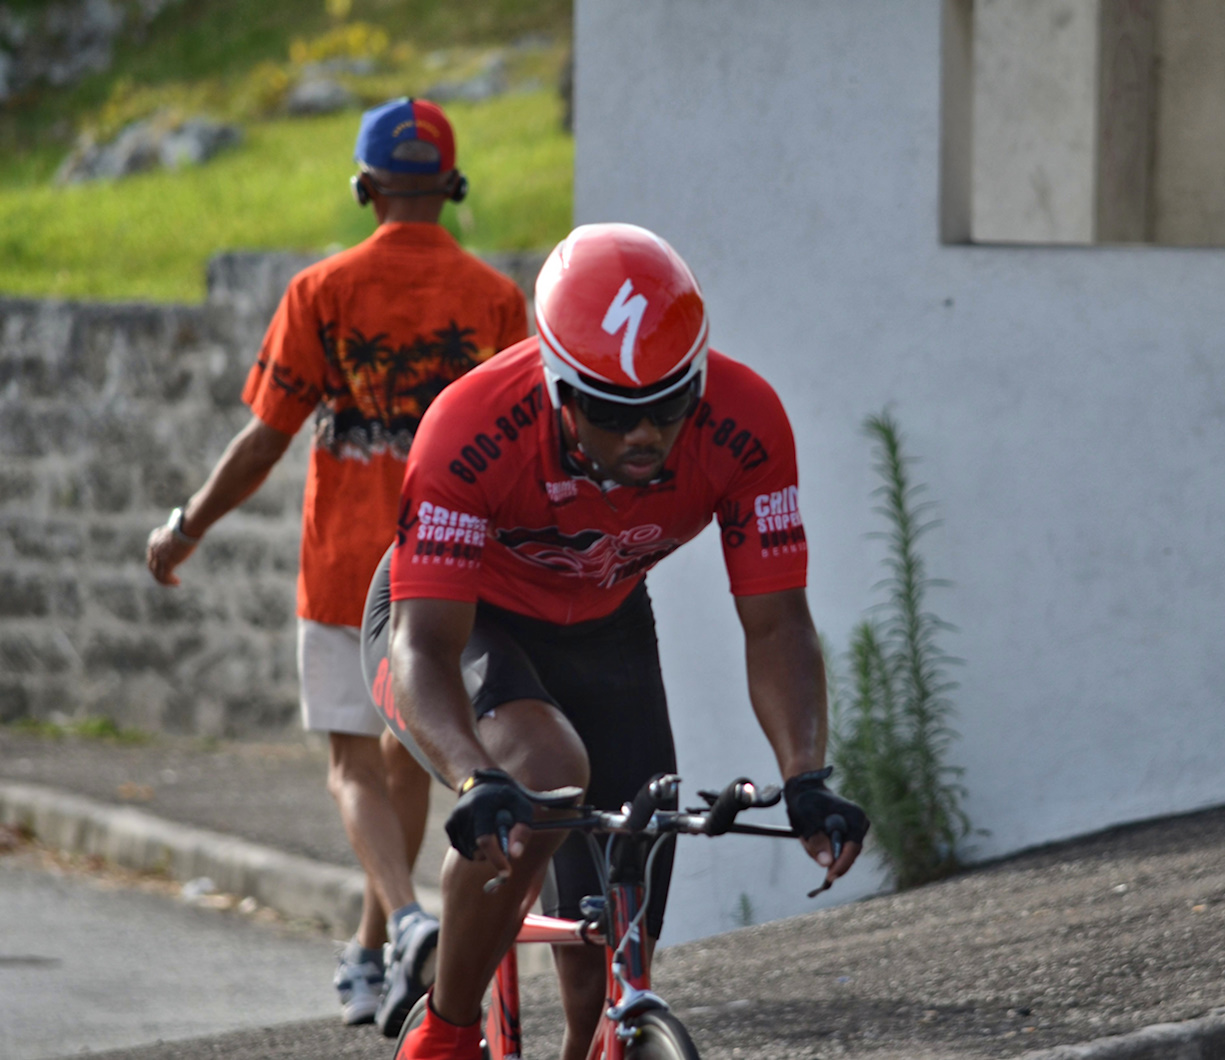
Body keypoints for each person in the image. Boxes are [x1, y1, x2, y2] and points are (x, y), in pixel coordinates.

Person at [359, 222, 870, 1060]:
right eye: (611, 413)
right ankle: (446, 1031)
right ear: (558, 387)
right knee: (543, 777)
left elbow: (777, 622)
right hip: (453, 621)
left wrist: (806, 774)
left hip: (604, 622)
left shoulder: (746, 424)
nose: (645, 436)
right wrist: (472, 776)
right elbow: (422, 648)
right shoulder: (471, 427)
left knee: (622, 906)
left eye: (670, 408)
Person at [145, 97, 529, 1034]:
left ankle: (399, 924)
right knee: (407, 758)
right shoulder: (492, 299)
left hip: (342, 563)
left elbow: (264, 438)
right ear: (453, 186)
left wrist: (187, 526)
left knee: (353, 764)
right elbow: (526, 442)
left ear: (364, 189)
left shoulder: (321, 292)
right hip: (451, 566)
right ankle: (378, 950)